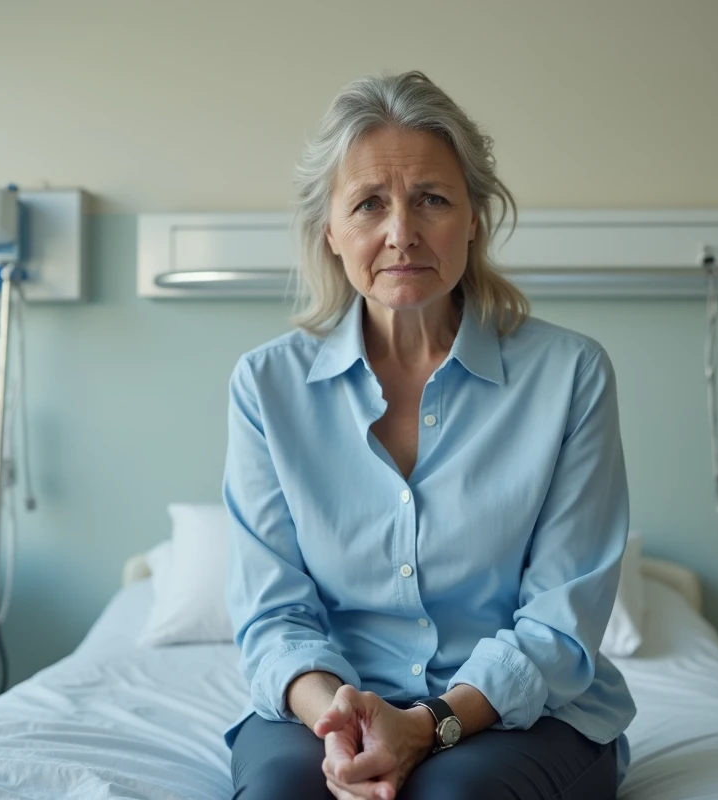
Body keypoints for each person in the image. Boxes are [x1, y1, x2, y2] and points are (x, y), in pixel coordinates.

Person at [222, 70, 635, 800]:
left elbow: (560, 622)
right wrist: (340, 720)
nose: (401, 233)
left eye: (432, 200)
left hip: (520, 714)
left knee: (455, 799)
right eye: (369, 204)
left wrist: (429, 724)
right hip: (325, 709)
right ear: (331, 227)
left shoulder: (570, 376)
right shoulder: (267, 388)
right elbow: (274, 614)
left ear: (474, 217)